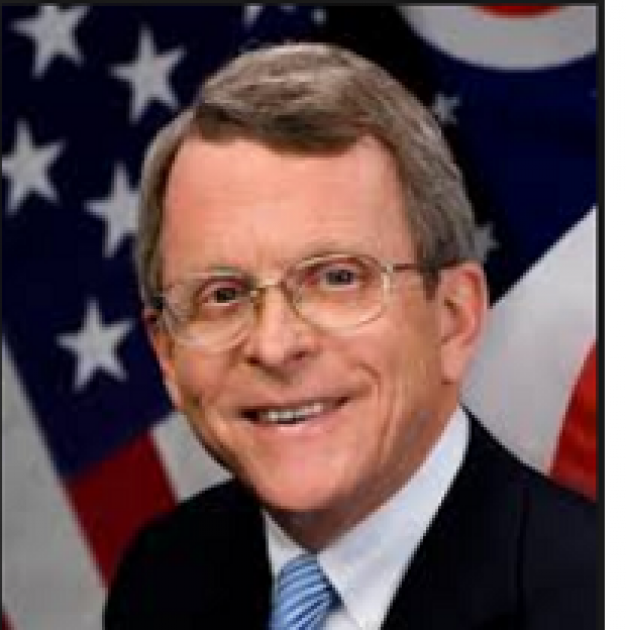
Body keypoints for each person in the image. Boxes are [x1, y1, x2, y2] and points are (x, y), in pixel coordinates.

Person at [104, 42, 596, 629]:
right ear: (165, 351)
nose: (275, 345)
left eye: (338, 279)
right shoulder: (162, 579)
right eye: (223, 295)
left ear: (453, 317)